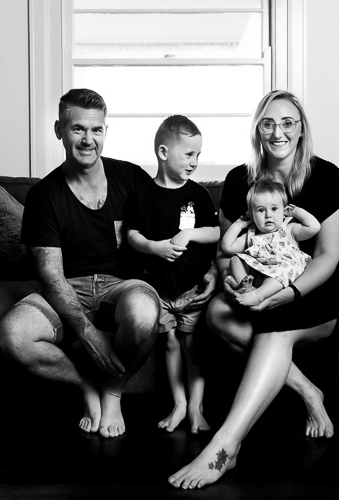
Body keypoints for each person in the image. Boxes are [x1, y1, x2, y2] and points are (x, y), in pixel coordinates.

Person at [168, 90, 339, 489]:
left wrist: (287, 293)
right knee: (217, 313)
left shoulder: (326, 176)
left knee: (275, 327)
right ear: (258, 129)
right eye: (268, 123)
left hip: (315, 284)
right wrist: (233, 281)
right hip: (258, 282)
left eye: (288, 122)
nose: (278, 132)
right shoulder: (240, 179)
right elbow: (227, 252)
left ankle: (225, 447)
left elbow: (328, 256)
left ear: (301, 128)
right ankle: (308, 390)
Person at [0, 88, 171, 439]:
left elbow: (168, 228)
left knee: (143, 315)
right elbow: (51, 275)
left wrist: (201, 272)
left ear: (105, 131)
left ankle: (113, 391)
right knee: (11, 336)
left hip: (122, 286)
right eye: (78, 129)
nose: (88, 139)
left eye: (96, 130)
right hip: (66, 286)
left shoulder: (131, 178)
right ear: (59, 130)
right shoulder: (43, 196)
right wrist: (89, 335)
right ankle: (87, 385)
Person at [125, 115, 219, 434]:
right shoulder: (143, 194)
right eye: (189, 154)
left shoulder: (198, 195)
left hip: (192, 288)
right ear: (164, 153)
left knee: (194, 347)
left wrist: (189, 234)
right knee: (170, 344)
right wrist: (155, 247)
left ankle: (196, 408)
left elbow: (216, 232)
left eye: (198, 155)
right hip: (159, 290)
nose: (195, 162)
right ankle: (179, 404)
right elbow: (132, 235)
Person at [221, 179, 321, 307]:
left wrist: (296, 212)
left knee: (282, 270)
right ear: (251, 215)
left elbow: (314, 227)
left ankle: (258, 295)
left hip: (282, 274)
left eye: (274, 208)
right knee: (235, 259)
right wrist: (238, 225)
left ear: (284, 211)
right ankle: (246, 288)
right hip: (258, 276)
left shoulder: (288, 229)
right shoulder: (251, 235)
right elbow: (227, 247)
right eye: (261, 210)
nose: (268, 215)